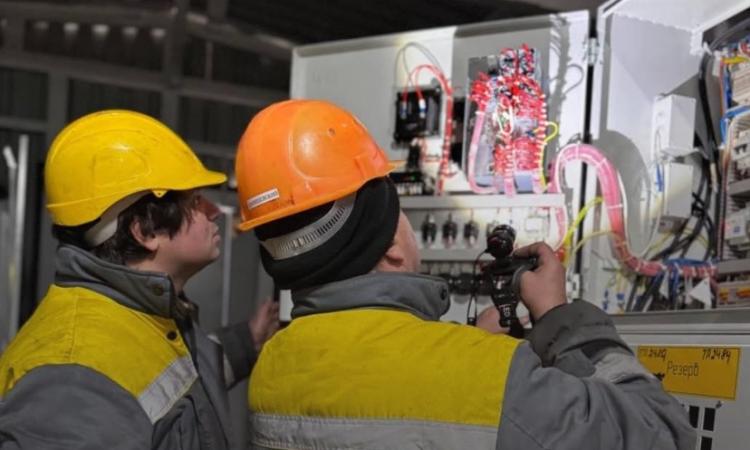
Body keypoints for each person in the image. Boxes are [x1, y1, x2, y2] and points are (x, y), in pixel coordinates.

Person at [233, 99, 695, 450]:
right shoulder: (486, 377)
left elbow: (385, 393)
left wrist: (467, 343)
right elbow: (663, 432)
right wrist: (559, 319)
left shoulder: (272, 365)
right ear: (391, 248)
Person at [0, 109, 279, 449]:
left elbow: (170, 384)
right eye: (195, 201)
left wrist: (246, 341)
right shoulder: (72, 379)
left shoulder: (144, 318)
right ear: (145, 231)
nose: (215, 210)